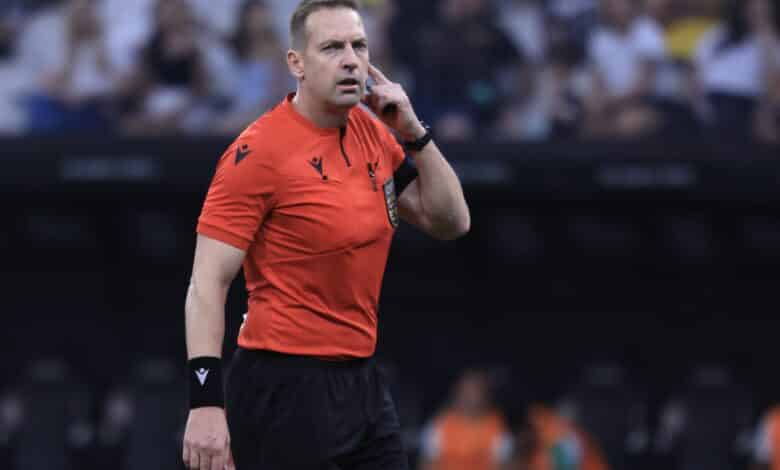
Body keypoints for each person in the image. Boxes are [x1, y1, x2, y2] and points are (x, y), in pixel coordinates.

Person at [181, 1, 471, 469]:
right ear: (296, 62)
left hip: (362, 381)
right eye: (332, 48)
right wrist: (205, 404)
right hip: (283, 384)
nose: (351, 60)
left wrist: (414, 132)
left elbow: (452, 221)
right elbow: (206, 285)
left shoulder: (374, 134)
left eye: (359, 46)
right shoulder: (257, 153)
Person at [419, 369, 513, 470]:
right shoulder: (439, 423)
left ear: (485, 395)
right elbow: (427, 463)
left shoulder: (497, 427)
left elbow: (503, 464)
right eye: (465, 390)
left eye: (475, 390)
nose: (469, 397)